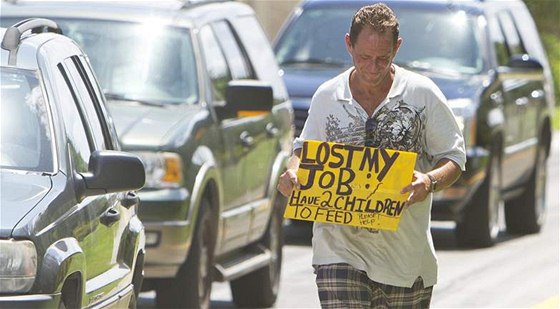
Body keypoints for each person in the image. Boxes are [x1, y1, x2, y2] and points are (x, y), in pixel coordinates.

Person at [277, 3, 466, 308]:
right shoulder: (328, 96)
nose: (373, 68)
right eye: (364, 57)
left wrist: (429, 181)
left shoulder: (422, 94)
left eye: (383, 58)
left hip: (404, 257)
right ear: (348, 44)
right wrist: (293, 173)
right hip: (339, 250)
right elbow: (304, 150)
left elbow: (454, 157)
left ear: (397, 48)